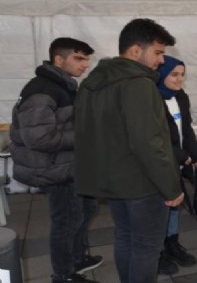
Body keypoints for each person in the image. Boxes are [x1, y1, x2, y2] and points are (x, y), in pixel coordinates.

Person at [74, 18, 184, 283]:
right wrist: (171, 187)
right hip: (143, 183)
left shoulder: (92, 82)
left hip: (113, 180)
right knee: (147, 247)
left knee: (126, 238)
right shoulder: (138, 83)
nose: (160, 60)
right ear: (136, 50)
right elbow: (148, 142)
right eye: (157, 52)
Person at [10, 38, 101, 283]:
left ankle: (77, 258)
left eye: (87, 59)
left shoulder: (64, 86)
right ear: (59, 59)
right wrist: (86, 135)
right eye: (79, 58)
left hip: (71, 164)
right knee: (66, 220)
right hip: (54, 168)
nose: (86, 65)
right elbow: (38, 138)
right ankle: (63, 274)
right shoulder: (42, 90)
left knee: (86, 209)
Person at [155, 56, 197, 274]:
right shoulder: (151, 99)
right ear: (161, 74)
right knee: (158, 208)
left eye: (182, 75)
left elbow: (186, 129)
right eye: (174, 74)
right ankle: (156, 253)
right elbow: (154, 137)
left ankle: (172, 243)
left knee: (174, 205)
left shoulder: (180, 97)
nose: (179, 79)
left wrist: (196, 154)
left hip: (177, 161)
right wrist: (179, 154)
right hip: (158, 162)